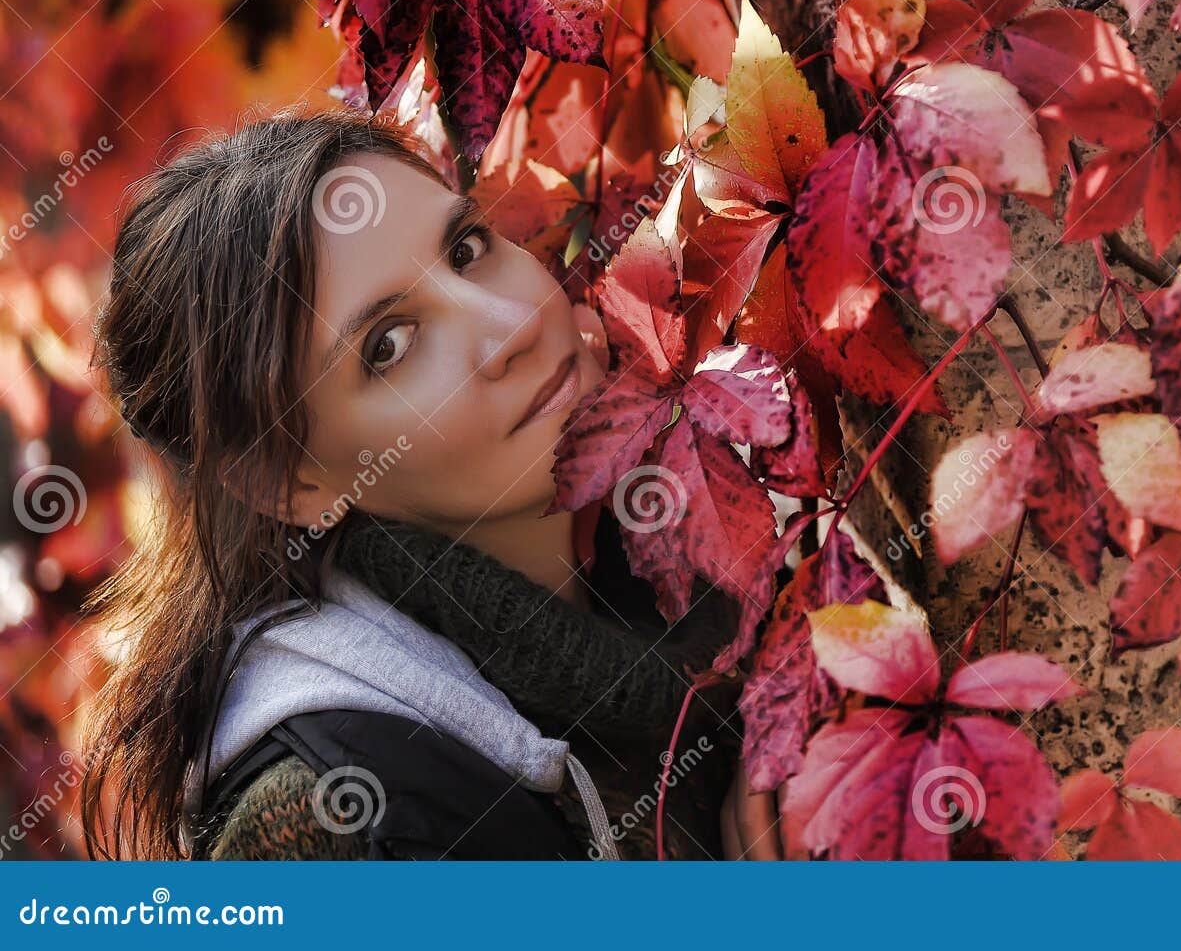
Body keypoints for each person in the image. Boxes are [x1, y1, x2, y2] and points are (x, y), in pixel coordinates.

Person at [80, 107, 779, 860]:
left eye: (468, 248)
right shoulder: (328, 827)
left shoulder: (740, 541)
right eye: (389, 344)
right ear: (288, 483)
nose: (510, 324)